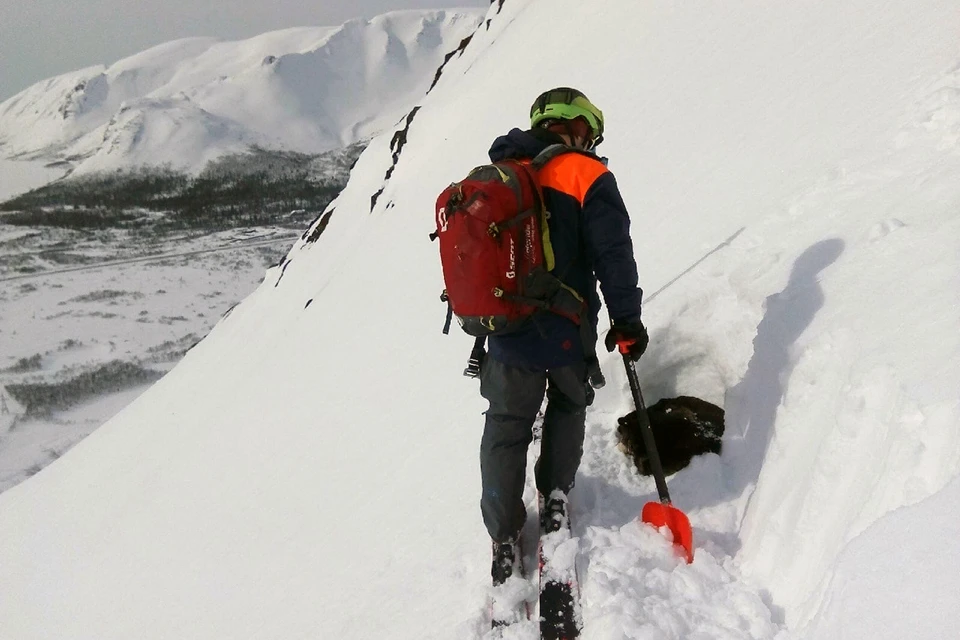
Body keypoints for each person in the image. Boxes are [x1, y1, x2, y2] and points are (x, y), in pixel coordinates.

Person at [481, 87, 649, 585]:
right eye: (589, 133)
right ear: (577, 125)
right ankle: (554, 497)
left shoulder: (501, 172)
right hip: (566, 329)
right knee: (567, 409)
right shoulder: (588, 173)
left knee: (507, 424)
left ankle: (503, 533)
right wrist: (627, 320)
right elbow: (613, 256)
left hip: (505, 332)